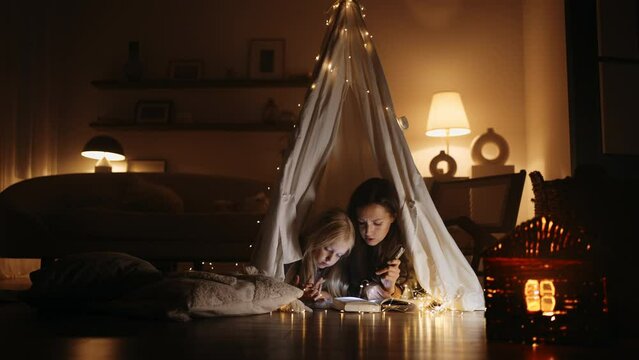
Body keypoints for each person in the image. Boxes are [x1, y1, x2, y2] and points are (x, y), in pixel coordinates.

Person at [346, 177, 413, 301]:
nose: (368, 231)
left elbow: (407, 293)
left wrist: (391, 288)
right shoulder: (347, 241)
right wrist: (365, 288)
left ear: (393, 217)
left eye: (377, 223)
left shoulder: (404, 246)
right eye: (361, 223)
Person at [284, 208, 355, 308]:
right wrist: (297, 294)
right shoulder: (292, 262)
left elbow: (336, 296)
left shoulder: (334, 272)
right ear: (314, 239)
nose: (330, 259)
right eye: (327, 249)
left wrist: (323, 295)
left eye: (338, 255)